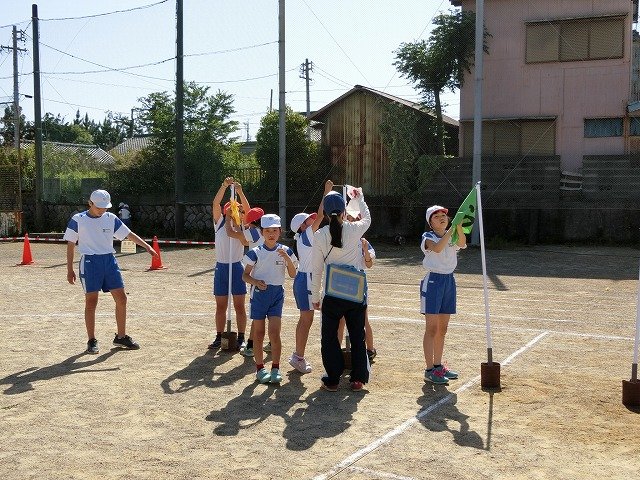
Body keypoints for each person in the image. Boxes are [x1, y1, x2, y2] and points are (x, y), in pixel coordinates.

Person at [64, 189, 158, 354]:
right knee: (91, 302)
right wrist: (69, 269)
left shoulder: (111, 218)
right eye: (99, 207)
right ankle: (91, 340)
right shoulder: (78, 219)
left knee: (122, 299)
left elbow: (128, 234)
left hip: (109, 261)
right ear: (90, 203)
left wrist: (147, 246)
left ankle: (121, 336)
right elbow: (71, 244)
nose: (102, 210)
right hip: (90, 262)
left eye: (105, 207)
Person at [310, 186, 371, 392]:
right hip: (354, 293)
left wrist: (315, 295)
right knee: (357, 335)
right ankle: (358, 379)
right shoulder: (354, 229)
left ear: (325, 214)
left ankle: (333, 378)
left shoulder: (319, 235)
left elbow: (316, 269)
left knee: (329, 336)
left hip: (332, 293)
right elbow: (367, 219)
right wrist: (360, 199)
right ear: (345, 211)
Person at [242, 214, 297, 384]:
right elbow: (245, 276)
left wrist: (288, 259)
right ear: (262, 232)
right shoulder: (255, 252)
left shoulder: (286, 251)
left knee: (275, 333)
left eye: (274, 230)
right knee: (258, 333)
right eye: (267, 231)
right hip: (259, 295)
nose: (271, 234)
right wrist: (256, 282)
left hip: (276, 295)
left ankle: (275, 368)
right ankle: (259, 368)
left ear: (280, 232)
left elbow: (293, 274)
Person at [287, 180, 332, 374]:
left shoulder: (306, 237)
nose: (313, 221)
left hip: (308, 279)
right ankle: (298, 357)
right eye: (309, 221)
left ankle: (298, 356)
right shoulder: (305, 236)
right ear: (302, 227)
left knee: (307, 319)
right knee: (306, 320)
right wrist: (327, 193)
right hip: (306, 280)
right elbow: (321, 214)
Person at [421, 205, 467, 384]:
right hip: (433, 281)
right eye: (436, 216)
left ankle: (438, 366)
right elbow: (438, 248)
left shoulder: (451, 234)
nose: (442, 218)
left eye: (444, 215)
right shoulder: (428, 237)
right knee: (431, 328)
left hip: (449, 281)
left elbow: (462, 243)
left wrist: (459, 227)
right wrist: (450, 231)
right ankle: (429, 369)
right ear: (430, 223)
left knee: (443, 329)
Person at [208, 177, 251, 350]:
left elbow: (249, 211)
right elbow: (215, 204)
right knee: (221, 306)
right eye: (232, 210)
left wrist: (240, 192)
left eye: (238, 210)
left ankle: (241, 337)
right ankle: (219, 336)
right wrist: (224, 186)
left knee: (239, 305)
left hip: (237, 266)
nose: (236, 213)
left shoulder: (242, 227)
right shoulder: (219, 223)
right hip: (222, 267)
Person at [225, 206, 265, 357]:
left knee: (258, 313)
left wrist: (229, 218)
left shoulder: (254, 232)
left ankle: (250, 345)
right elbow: (243, 240)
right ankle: (268, 344)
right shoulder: (268, 232)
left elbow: (230, 233)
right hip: (270, 274)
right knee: (270, 312)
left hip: (256, 275)